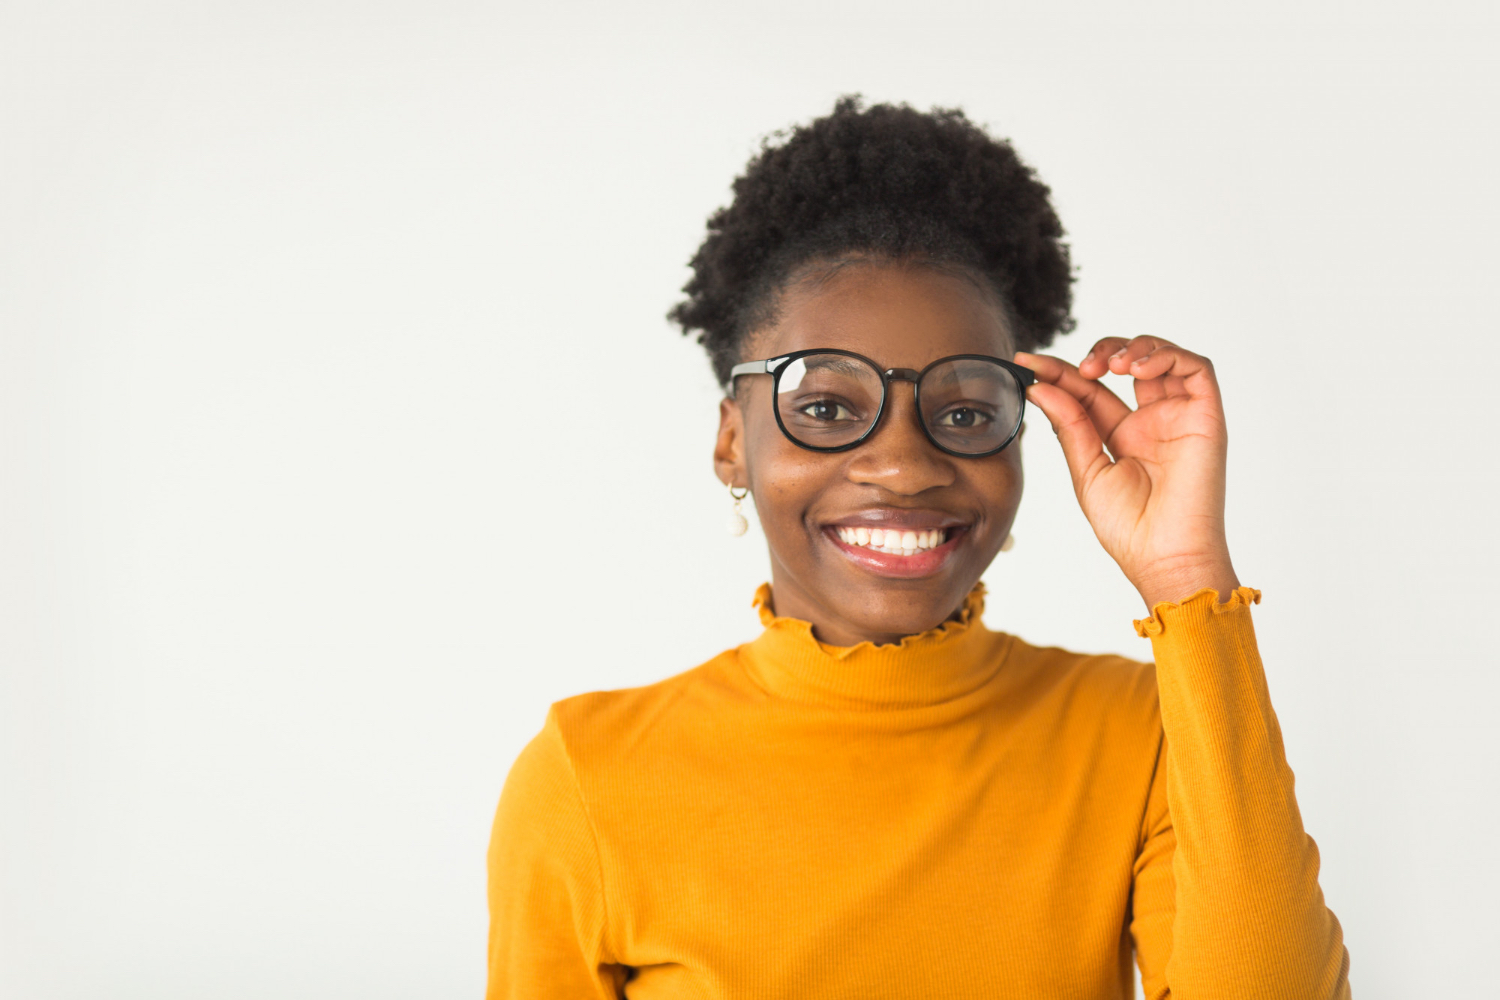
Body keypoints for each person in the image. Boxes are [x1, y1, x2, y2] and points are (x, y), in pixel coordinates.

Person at [484, 97, 1351, 999]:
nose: (902, 465)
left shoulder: (1144, 731)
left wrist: (1187, 578)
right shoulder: (587, 776)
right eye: (825, 408)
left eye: (967, 411)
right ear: (731, 443)